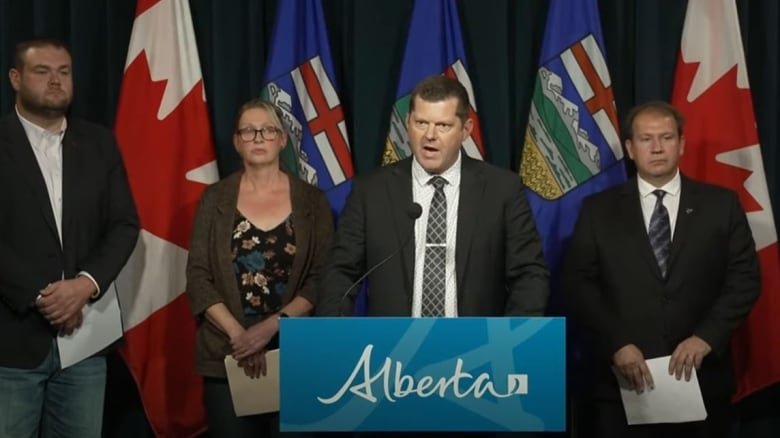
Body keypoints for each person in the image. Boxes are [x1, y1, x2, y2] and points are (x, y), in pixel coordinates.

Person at [564, 101, 760, 437]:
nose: (657, 148)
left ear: (681, 144)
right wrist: (617, 343)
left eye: (666, 137)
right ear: (629, 148)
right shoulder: (597, 211)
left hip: (701, 383)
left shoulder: (721, 205)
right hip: (621, 387)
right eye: (646, 139)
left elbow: (745, 279)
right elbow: (579, 284)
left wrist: (706, 337)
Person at [317, 74, 549, 319]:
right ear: (407, 123)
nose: (429, 135)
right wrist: (335, 334)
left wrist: (510, 339)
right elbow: (340, 272)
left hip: (477, 346)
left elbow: (529, 273)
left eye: (443, 126)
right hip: (392, 349)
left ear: (466, 130)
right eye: (421, 123)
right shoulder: (371, 190)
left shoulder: (501, 189)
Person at [0, 38, 140, 437]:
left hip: (83, 343)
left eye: (64, 71)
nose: (56, 80)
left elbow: (124, 224)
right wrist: (43, 296)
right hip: (11, 344)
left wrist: (85, 285)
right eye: (42, 71)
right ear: (16, 78)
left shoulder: (99, 143)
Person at [186, 99, 334, 436]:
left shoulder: (313, 201)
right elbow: (197, 276)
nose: (258, 138)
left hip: (295, 356)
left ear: (282, 140)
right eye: (248, 131)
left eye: (267, 130)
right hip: (228, 356)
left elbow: (321, 278)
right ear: (237, 142)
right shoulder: (214, 199)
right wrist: (240, 337)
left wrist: (268, 330)